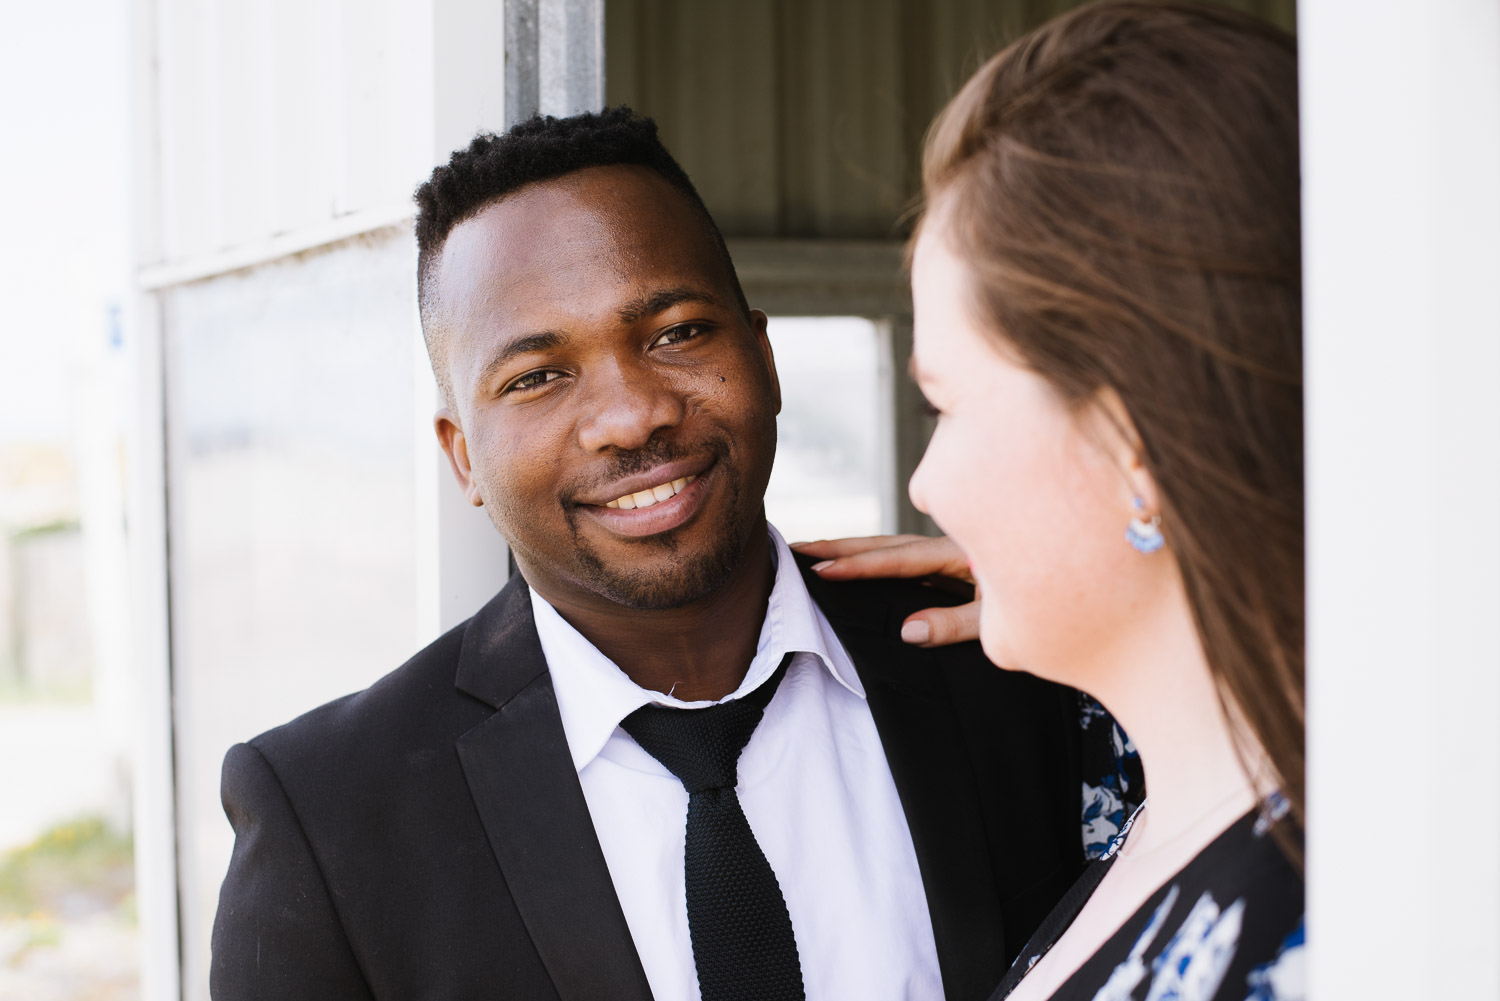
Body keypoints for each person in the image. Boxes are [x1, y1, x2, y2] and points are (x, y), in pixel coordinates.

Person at [209, 108, 1135, 1001]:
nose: (632, 413)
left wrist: (1113, 596)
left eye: (678, 332)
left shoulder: (1013, 663)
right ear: (464, 457)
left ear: (765, 358)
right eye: (537, 377)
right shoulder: (330, 817)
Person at [796, 4, 1305, 1000]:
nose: (924, 483)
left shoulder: (1348, 924)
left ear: (1132, 438)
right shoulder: (1161, 799)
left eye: (944, 402)